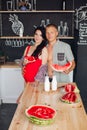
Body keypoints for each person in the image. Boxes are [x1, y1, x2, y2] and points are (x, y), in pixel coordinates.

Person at [17, 26, 48, 103]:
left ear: (43, 38)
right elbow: (21, 61)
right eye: (36, 34)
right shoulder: (28, 48)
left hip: (36, 82)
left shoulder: (43, 49)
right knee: (26, 103)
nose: (37, 37)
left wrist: (37, 81)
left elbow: (43, 67)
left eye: (40, 35)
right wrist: (23, 64)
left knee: (34, 102)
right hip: (26, 81)